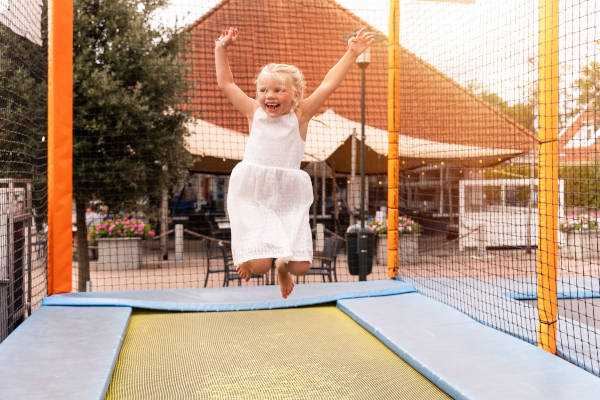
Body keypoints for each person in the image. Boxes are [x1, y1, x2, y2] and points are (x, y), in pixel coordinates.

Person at [215, 26, 374, 298]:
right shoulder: (254, 112)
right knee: (257, 265)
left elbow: (328, 83)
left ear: (296, 94)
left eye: (278, 90)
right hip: (254, 190)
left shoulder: (300, 115)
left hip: (287, 192)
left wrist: (351, 53)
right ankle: (250, 256)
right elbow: (227, 84)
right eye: (263, 90)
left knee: (301, 266)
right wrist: (221, 48)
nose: (269, 96)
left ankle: (283, 266)